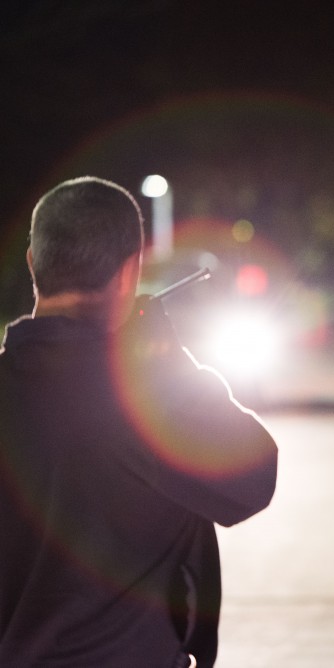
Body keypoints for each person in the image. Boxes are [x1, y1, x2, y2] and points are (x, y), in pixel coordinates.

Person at [0, 177, 279, 667]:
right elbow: (253, 478)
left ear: (32, 263)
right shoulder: (148, 398)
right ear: (130, 272)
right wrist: (168, 362)